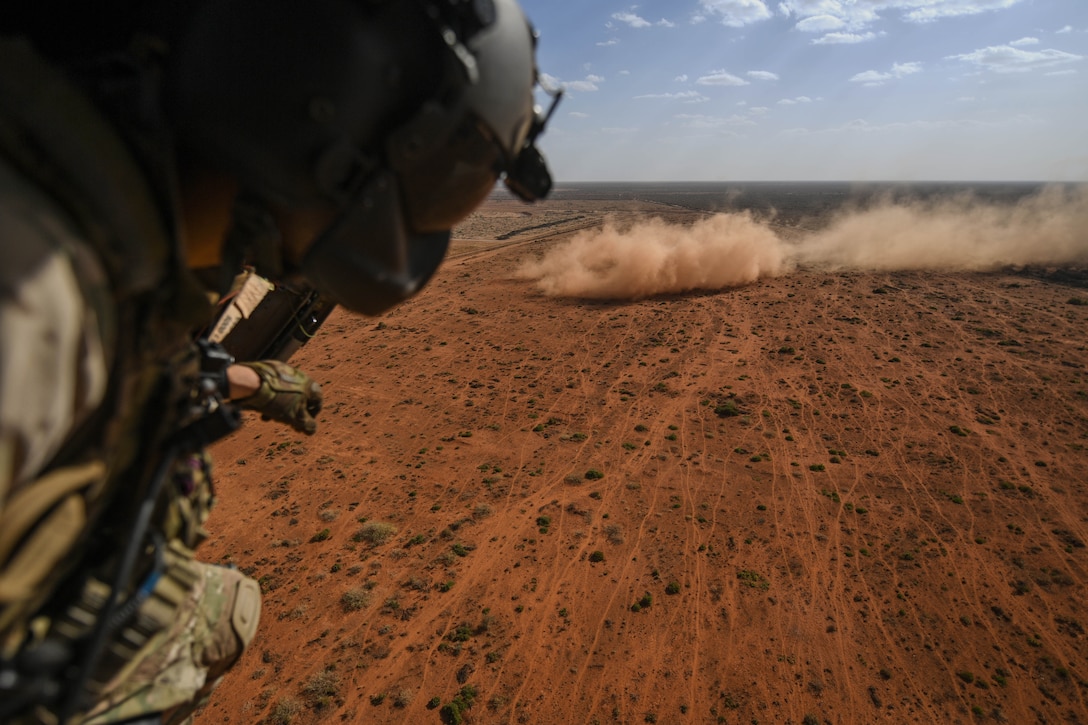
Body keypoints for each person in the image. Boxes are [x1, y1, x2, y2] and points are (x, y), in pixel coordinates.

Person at [0, 0, 556, 722]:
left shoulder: (116, 216)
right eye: (445, 178)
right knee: (215, 617)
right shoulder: (36, 302)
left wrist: (251, 381)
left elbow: (146, 360)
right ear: (336, 96)